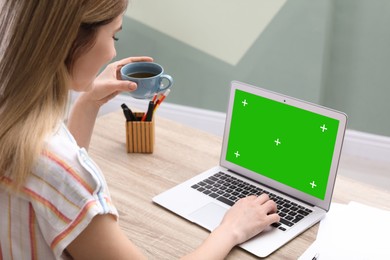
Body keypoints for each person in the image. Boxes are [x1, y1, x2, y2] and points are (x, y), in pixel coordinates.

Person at [0, 0, 280, 259]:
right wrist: (231, 230)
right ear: (72, 38)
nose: (113, 52)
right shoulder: (61, 170)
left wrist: (89, 101)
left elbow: (57, 190)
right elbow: (64, 179)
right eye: (114, 35)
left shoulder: (13, 122)